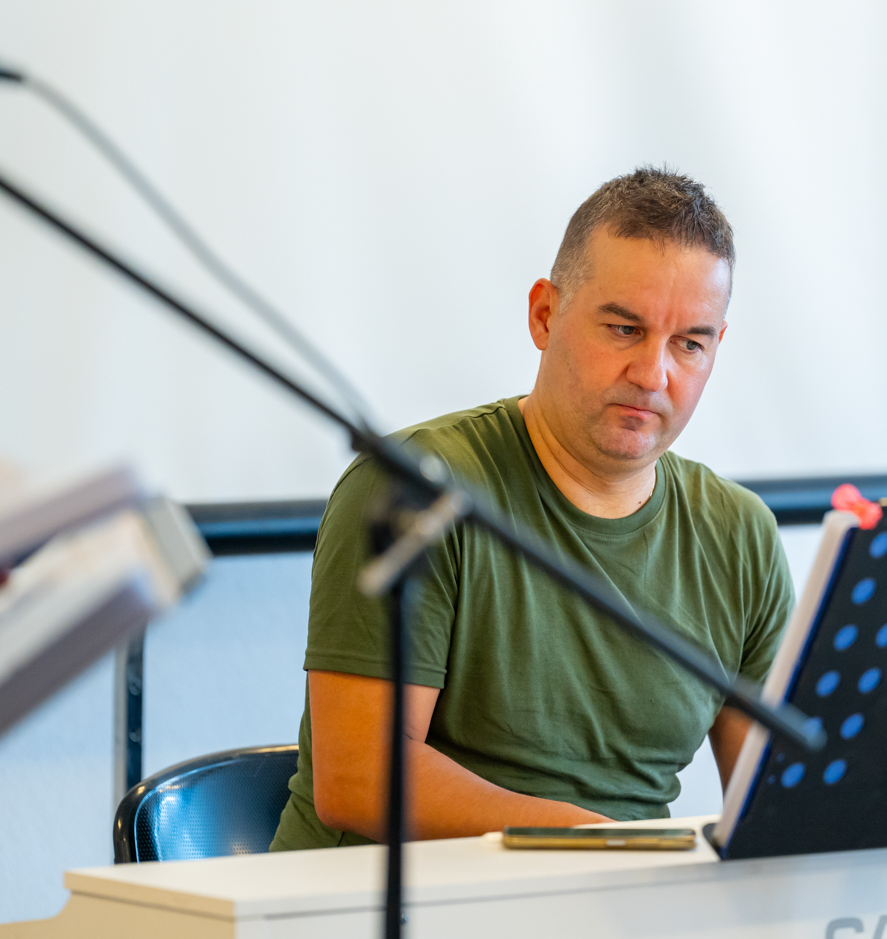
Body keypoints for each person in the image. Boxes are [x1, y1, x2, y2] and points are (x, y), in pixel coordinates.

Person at [271, 167, 794, 850]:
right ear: (545, 315)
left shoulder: (739, 533)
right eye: (624, 328)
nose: (653, 374)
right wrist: (596, 840)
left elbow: (779, 798)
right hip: (387, 903)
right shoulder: (414, 490)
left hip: (620, 896)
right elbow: (359, 777)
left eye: (688, 343)